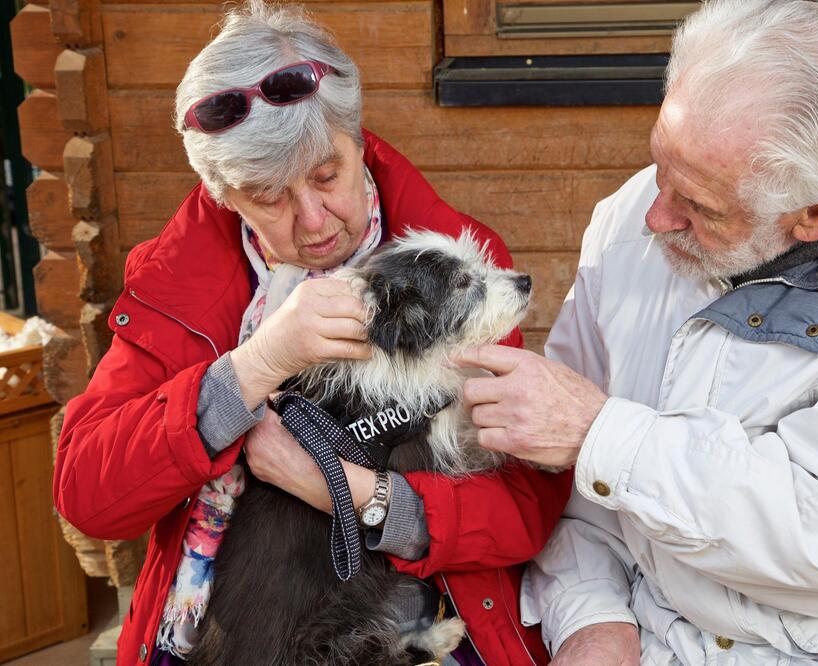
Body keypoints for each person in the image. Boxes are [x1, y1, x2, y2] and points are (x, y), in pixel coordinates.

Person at [456, 1, 818, 663]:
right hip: (661, 638)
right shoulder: (636, 214)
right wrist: (592, 620)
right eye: (659, 166)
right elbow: (572, 490)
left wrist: (598, 433)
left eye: (699, 205)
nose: (653, 215)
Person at [52, 2, 569, 665]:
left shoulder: (456, 273)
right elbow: (89, 498)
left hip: (415, 615)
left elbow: (523, 507)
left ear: (361, 141)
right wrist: (255, 364)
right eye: (269, 196)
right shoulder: (177, 286)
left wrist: (348, 494)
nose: (314, 220)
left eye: (329, 176)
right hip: (232, 624)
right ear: (223, 194)